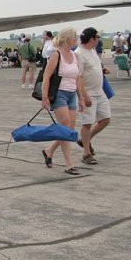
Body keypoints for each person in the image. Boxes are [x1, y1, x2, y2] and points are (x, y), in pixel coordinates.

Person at [40, 27, 84, 175]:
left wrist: (81, 98)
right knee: (65, 129)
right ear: (68, 39)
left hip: (72, 95)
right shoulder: (56, 55)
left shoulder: (73, 55)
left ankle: (49, 151)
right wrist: (45, 97)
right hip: (59, 94)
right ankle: (69, 164)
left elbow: (77, 78)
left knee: (69, 130)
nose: (76, 40)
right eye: (75, 38)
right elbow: (46, 77)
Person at [75, 27, 111, 165]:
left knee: (106, 119)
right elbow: (77, 77)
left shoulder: (92, 50)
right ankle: (86, 153)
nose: (98, 40)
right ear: (92, 39)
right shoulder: (79, 54)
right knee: (87, 123)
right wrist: (84, 96)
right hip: (88, 92)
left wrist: (102, 70)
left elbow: (93, 67)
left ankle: (85, 140)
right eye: (97, 38)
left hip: (99, 91)